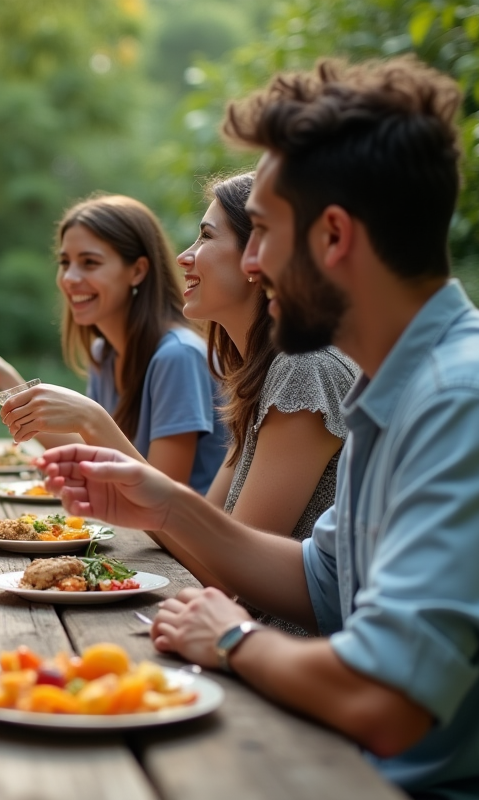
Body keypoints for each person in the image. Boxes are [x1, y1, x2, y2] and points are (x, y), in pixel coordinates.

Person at [39, 56, 479, 798]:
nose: (250, 262)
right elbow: (319, 578)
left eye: (264, 232)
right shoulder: (395, 386)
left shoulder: (460, 397)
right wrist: (164, 504)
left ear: (333, 237)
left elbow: (386, 701)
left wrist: (231, 638)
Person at [170, 173, 357, 612]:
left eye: (205, 236)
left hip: (283, 656)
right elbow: (207, 535)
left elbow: (231, 574)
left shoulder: (305, 370)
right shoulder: (264, 374)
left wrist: (97, 432)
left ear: (257, 258)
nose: (184, 256)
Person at [0, 195, 226, 494]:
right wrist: (8, 381)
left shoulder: (178, 356)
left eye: (89, 263)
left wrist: (89, 418)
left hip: (173, 539)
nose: (70, 278)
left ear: (137, 270)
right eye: (65, 262)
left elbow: (164, 500)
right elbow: (94, 452)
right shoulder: (105, 353)